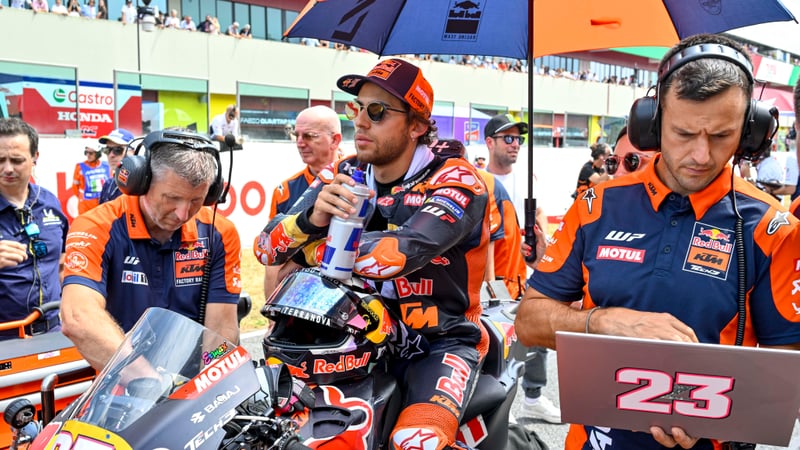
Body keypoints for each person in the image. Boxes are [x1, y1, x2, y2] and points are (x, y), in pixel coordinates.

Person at [516, 33, 800, 450]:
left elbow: (786, 370)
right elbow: (528, 321)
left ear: (749, 131)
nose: (701, 155)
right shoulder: (596, 206)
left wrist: (714, 414)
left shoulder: (772, 228)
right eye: (684, 133)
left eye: (721, 135)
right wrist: (605, 322)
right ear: (652, 124)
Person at [255, 58, 490, 450]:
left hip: (436, 344)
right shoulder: (345, 172)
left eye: (377, 111)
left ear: (416, 125)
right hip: (354, 341)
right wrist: (311, 219)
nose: (360, 122)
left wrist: (313, 249)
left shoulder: (456, 178)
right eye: (356, 108)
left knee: (415, 443)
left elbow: (395, 255)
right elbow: (266, 249)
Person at [60, 129, 242, 370]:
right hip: (122, 379)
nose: (183, 214)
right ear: (141, 182)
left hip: (194, 385)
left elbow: (222, 330)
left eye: (195, 201)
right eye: (172, 198)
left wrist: (210, 375)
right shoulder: (96, 226)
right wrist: (147, 382)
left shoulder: (219, 232)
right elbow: (78, 317)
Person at [483, 113, 559, 424]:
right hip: (493, 278)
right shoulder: (478, 180)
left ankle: (533, 398)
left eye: (519, 139)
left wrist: (541, 246)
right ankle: (500, 406)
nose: (515, 144)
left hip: (525, 273)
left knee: (536, 340)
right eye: (508, 138)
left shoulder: (528, 179)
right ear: (490, 143)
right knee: (496, 345)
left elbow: (539, 215)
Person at [262, 105, 342, 298]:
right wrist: (272, 310)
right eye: (296, 135)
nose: (299, 143)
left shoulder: (361, 179)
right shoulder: (285, 191)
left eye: (309, 136)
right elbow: (274, 257)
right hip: (299, 297)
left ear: (335, 140)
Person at [0, 118, 68, 340]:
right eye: (0, 160)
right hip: (5, 336)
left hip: (53, 331)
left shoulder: (50, 202)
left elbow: (62, 262)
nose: (7, 168)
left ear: (34, 157)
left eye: (16, 160)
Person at [97, 128, 135, 204]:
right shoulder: (108, 184)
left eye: (117, 150)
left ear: (132, 152)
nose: (111, 155)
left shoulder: (141, 186)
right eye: (107, 150)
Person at [72, 143, 110, 215]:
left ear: (98, 154)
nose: (88, 155)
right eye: (86, 152)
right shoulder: (80, 167)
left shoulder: (106, 166)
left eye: (91, 153)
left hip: (102, 203)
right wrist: (82, 198)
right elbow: (75, 187)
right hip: (85, 205)